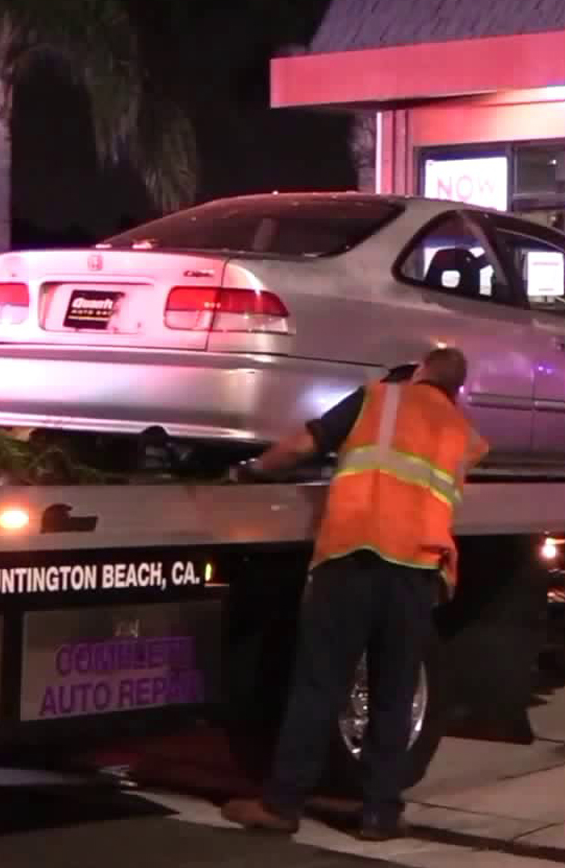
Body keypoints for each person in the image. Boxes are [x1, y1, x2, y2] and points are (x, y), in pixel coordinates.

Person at [223, 347, 489, 841]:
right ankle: (380, 815)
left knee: (318, 685)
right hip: (414, 570)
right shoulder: (461, 431)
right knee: (393, 693)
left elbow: (306, 443)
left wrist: (254, 471)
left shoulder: (379, 399)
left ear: (420, 372)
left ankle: (282, 806)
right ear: (457, 391)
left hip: (352, 555)